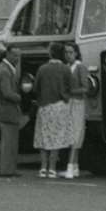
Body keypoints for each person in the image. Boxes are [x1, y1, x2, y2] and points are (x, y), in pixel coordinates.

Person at [33, 44, 73, 177]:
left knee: (43, 137)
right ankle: (52, 168)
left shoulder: (42, 69)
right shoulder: (66, 69)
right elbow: (70, 87)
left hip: (44, 105)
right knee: (56, 138)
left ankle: (43, 167)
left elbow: (35, 88)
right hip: (60, 105)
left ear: (50, 53)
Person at [0, 49, 23, 177]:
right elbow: (7, 93)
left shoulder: (1, 68)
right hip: (7, 110)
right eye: (14, 55)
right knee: (10, 140)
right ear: (7, 54)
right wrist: (19, 97)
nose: (17, 58)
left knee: (4, 140)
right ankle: (7, 170)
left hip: (0, 109)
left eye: (18, 56)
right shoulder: (5, 71)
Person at [64, 43, 91, 179]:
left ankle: (70, 166)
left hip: (78, 103)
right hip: (68, 103)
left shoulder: (80, 67)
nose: (68, 55)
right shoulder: (67, 67)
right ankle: (75, 166)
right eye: (66, 52)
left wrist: (70, 91)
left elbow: (85, 88)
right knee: (71, 133)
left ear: (76, 53)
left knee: (76, 133)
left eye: (70, 52)